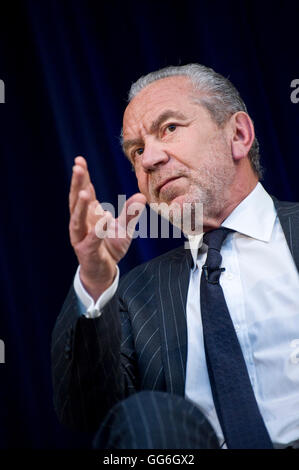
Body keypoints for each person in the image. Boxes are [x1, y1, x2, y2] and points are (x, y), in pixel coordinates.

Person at [51, 64, 299, 449]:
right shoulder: (134, 296)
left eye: (169, 128)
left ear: (238, 135)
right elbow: (87, 412)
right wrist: (96, 281)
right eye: (136, 150)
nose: (148, 159)